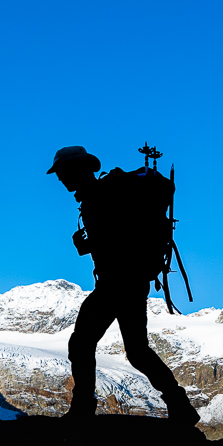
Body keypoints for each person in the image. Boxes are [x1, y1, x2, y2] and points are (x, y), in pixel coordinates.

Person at [48, 145, 199, 425]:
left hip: (116, 283)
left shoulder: (100, 196)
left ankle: (82, 409)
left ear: (75, 170)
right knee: (138, 351)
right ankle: (181, 406)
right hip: (133, 282)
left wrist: (91, 242)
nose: (60, 179)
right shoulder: (106, 193)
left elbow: (116, 239)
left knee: (81, 344)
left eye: (62, 173)